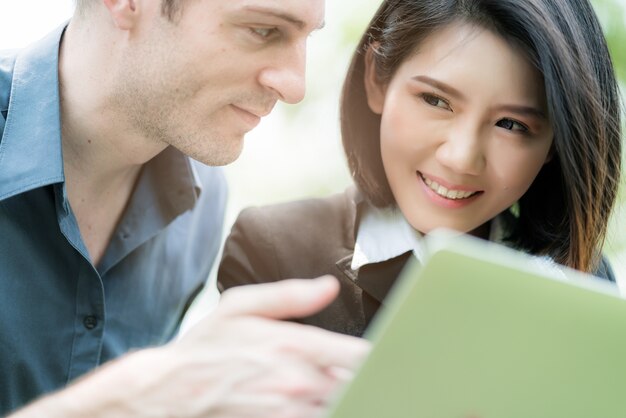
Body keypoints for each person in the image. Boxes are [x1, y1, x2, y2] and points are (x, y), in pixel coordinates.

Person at [1, 0, 370, 416]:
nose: (295, 85)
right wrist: (129, 397)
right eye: (263, 31)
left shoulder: (201, 205)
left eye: (306, 38)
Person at [219, 0, 623, 337]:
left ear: (555, 142)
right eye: (435, 100)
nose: (461, 158)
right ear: (377, 77)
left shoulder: (577, 278)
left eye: (511, 125)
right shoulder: (277, 251)